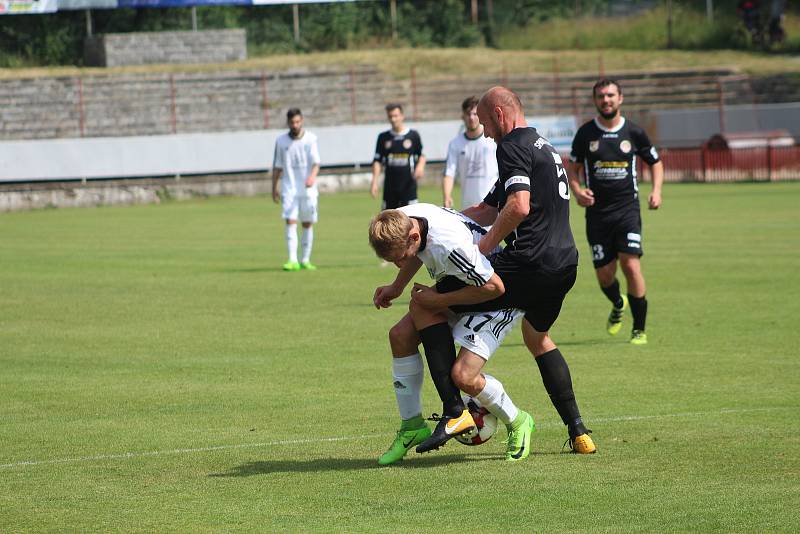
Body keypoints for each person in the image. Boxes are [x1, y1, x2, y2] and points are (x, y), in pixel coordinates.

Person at [411, 86, 596, 454]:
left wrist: (482, 249)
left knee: (425, 303)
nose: (484, 129)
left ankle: (455, 408)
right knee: (538, 338)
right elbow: (488, 207)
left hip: (529, 263)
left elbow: (518, 207)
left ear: (498, 113)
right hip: (565, 265)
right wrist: (441, 220)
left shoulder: (510, 145)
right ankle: (579, 431)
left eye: (484, 120)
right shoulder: (541, 145)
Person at [369, 204, 534, 464]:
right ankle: (414, 426)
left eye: (400, 257)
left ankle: (518, 420)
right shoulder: (402, 218)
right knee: (400, 335)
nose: (400, 263)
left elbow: (494, 287)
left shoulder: (448, 245)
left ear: (413, 237)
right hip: (462, 285)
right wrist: (397, 286)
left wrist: (439, 300)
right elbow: (414, 252)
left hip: (499, 299)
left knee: (463, 376)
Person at [567, 79, 664, 345]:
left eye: (610, 95)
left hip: (627, 210)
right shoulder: (586, 134)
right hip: (597, 215)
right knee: (605, 275)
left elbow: (655, 162)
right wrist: (577, 191)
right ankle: (618, 302)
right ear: (595, 100)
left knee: (631, 265)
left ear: (620, 98)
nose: (606, 100)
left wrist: (656, 191)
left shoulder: (634, 132)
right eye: (601, 96)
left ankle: (639, 329)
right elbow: (572, 169)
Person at [272, 108, 321, 271]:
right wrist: (274, 187)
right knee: (290, 222)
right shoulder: (281, 141)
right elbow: (277, 166)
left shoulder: (311, 139)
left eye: (298, 122)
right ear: (288, 123)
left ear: (302, 121)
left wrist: (312, 177)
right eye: (292, 122)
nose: (295, 125)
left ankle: (305, 259)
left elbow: (316, 163)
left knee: (307, 223)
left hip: (308, 191)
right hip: (289, 189)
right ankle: (292, 259)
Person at [442, 96, 498, 209]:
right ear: (462, 116)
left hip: (492, 207)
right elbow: (449, 173)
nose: (471, 118)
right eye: (468, 114)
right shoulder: (455, 143)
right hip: (468, 209)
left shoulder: (493, 139)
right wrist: (447, 196)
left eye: (475, 114)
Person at [370, 103, 426, 209]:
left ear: (402, 116)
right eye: (390, 116)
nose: (393, 119)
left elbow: (421, 155)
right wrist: (374, 181)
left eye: (395, 116)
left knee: (411, 220)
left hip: (408, 187)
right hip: (390, 188)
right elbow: (377, 160)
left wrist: (421, 166)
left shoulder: (413, 135)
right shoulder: (383, 137)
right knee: (389, 221)